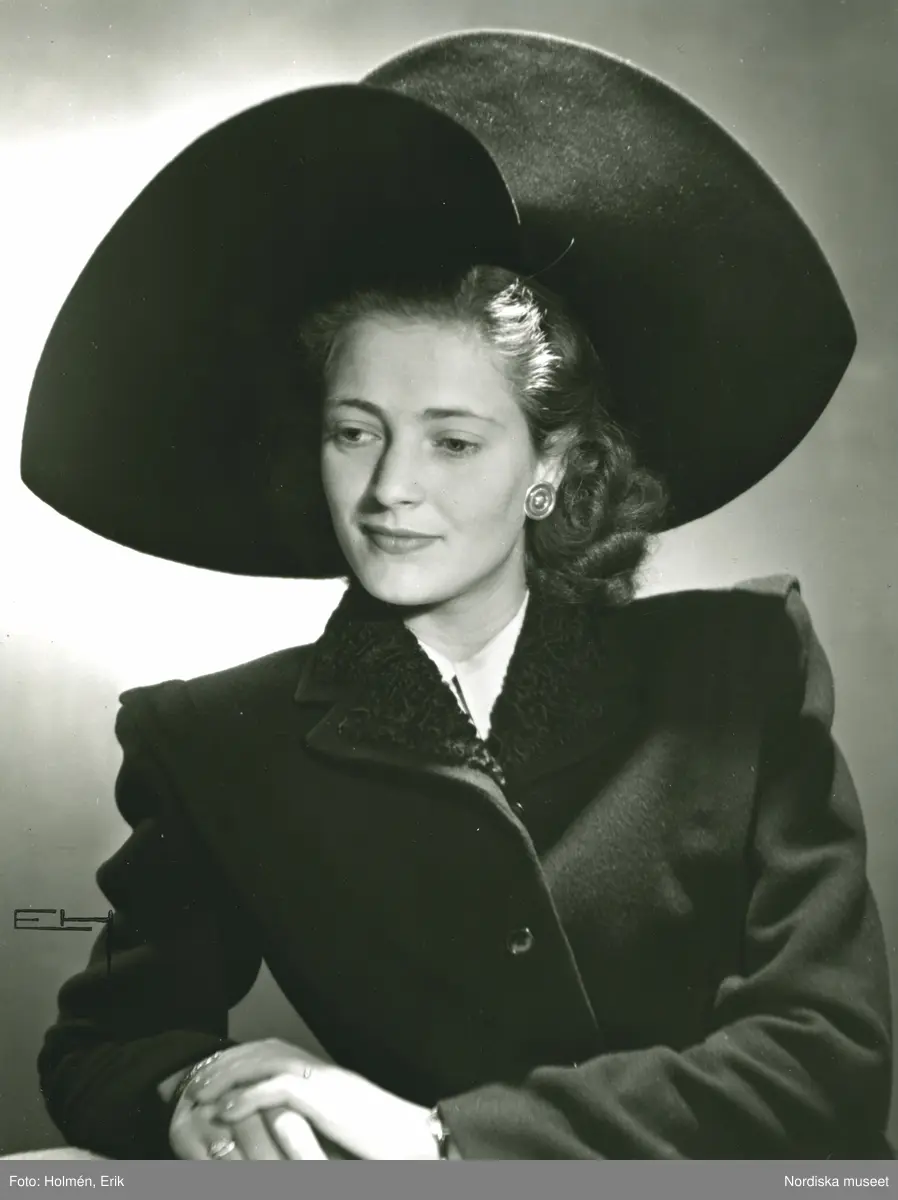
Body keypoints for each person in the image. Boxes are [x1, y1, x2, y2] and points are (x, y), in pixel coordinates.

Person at [21, 31, 892, 1160]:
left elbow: (826, 1058)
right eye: (355, 433)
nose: (390, 488)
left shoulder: (738, 669)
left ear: (549, 468)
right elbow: (102, 1045)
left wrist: (443, 1142)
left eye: (453, 441)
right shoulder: (212, 745)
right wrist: (198, 1092)